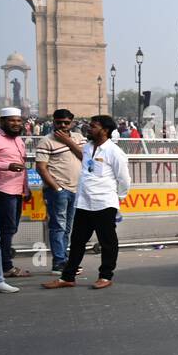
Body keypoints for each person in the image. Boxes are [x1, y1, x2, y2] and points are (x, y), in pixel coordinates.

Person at [42, 115, 130, 290]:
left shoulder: (114, 152)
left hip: (104, 202)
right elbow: (85, 160)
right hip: (84, 202)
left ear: (105, 130)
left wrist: (118, 198)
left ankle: (105, 276)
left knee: (107, 241)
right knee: (77, 241)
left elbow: (124, 179)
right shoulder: (88, 147)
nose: (88, 129)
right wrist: (68, 141)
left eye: (93, 126)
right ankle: (68, 276)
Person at [35, 108, 85, 272]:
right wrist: (56, 188)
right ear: (53, 122)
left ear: (72, 123)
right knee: (58, 226)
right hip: (58, 190)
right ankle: (59, 262)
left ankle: (64, 260)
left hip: (76, 189)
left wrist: (69, 142)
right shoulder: (46, 141)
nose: (63, 126)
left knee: (68, 227)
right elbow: (41, 168)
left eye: (66, 123)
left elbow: (86, 158)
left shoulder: (78, 138)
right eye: (59, 122)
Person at [0, 106, 31, 281]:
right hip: (0, 190)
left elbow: (22, 166)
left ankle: (3, 264)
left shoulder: (19, 140)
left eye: (18, 120)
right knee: (5, 230)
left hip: (16, 190)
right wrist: (6, 166)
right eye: (12, 120)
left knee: (10, 228)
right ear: (2, 121)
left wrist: (26, 188)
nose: (16, 124)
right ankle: (5, 266)